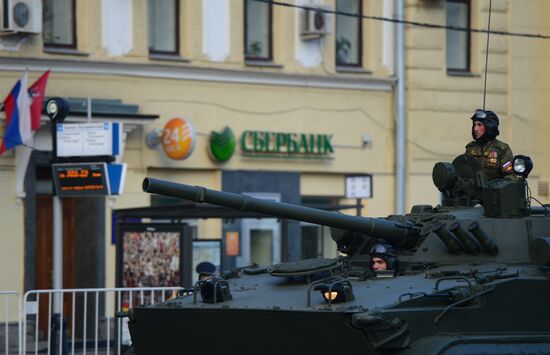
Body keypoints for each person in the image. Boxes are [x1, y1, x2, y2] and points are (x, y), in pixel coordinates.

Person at [465, 109, 516, 181]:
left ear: (489, 127)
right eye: (474, 125)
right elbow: (463, 172)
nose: (475, 129)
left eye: (479, 125)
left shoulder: (502, 149)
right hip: (473, 191)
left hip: (494, 191)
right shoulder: (471, 148)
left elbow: (510, 177)